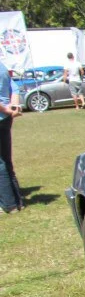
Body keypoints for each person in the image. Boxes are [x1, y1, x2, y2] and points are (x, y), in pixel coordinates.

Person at [0, 57, 25, 214]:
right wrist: (13, 108)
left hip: (3, 113)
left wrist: (6, 110)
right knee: (6, 160)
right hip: (6, 118)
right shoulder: (2, 66)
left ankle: (9, 205)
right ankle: (18, 201)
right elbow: (14, 88)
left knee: (1, 163)